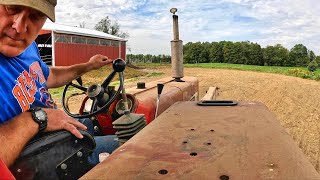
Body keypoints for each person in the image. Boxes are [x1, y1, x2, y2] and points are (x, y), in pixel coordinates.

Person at [0, 0, 119, 169]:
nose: (19, 28)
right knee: (128, 147)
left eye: (35, 16)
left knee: (90, 123)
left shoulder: (26, 47)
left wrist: (89, 65)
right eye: (12, 8)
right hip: (38, 163)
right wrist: (36, 119)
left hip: (58, 137)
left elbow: (48, 75)